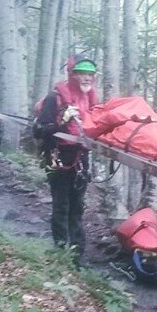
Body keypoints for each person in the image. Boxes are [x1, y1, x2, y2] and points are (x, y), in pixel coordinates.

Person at [33, 57, 99, 264]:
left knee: (77, 206)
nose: (87, 77)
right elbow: (39, 129)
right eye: (82, 73)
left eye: (90, 74)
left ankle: (78, 254)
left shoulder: (90, 99)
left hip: (80, 158)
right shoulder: (55, 98)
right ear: (73, 74)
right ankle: (61, 250)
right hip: (57, 157)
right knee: (61, 205)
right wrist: (62, 122)